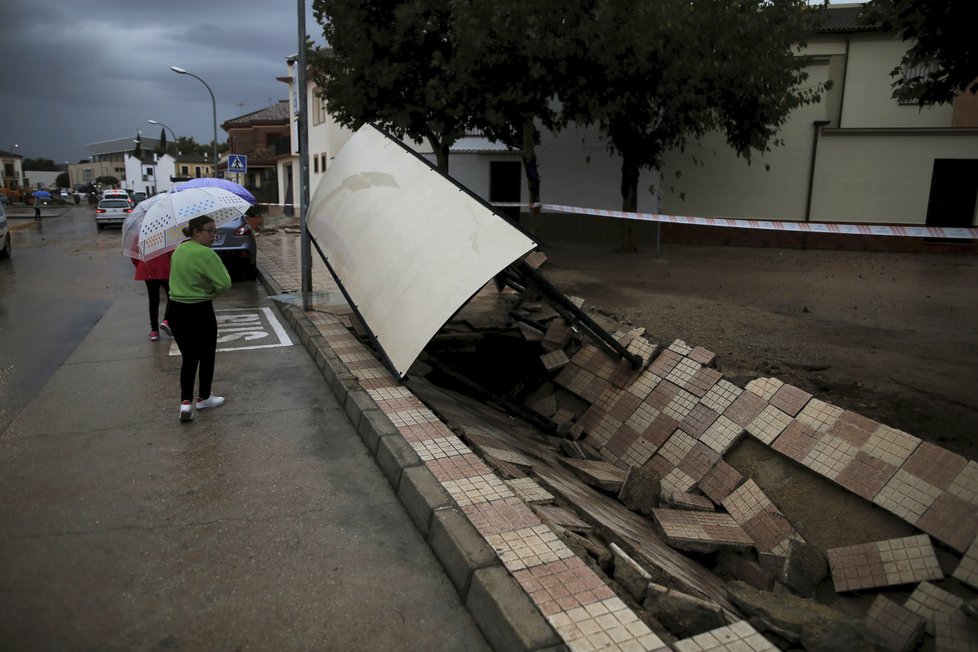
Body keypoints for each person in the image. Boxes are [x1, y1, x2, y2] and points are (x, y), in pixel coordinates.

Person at [167, 216, 232, 422]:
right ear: (196, 232)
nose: (214, 235)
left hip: (176, 311)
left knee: (189, 357)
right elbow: (225, 284)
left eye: (215, 231)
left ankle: (185, 403)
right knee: (206, 355)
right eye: (210, 231)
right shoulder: (207, 254)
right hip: (200, 310)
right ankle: (203, 398)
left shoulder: (179, 249)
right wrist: (209, 291)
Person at [131, 252, 171, 341]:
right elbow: (173, 252)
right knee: (171, 296)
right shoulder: (166, 237)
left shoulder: (139, 237)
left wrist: (140, 265)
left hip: (147, 267)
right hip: (165, 267)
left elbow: (134, 255)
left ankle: (154, 331)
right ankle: (167, 320)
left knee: (153, 300)